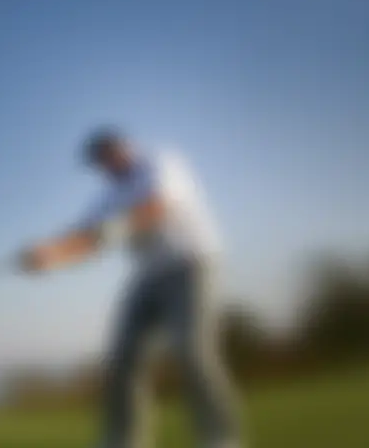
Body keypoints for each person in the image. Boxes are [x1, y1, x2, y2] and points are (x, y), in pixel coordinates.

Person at [20, 127, 241, 448]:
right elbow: (83, 237)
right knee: (122, 358)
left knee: (192, 351)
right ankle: (125, 441)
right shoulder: (108, 195)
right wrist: (48, 254)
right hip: (149, 276)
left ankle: (221, 439)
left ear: (124, 147)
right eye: (98, 163)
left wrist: (104, 232)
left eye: (105, 156)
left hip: (191, 264)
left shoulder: (160, 162)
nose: (103, 167)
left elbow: (156, 208)